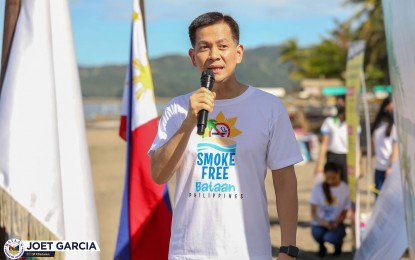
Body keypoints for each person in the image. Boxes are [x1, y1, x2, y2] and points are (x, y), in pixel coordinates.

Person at [149, 12, 303, 260]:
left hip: (249, 251)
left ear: (238, 52)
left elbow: (285, 180)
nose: (214, 55)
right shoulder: (178, 108)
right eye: (204, 47)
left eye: (223, 46)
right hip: (188, 252)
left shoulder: (269, 107)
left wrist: (288, 248)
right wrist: (189, 121)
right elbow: (158, 174)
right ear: (193, 57)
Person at [310, 162, 351, 257]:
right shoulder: (317, 188)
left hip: (336, 223)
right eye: (328, 178)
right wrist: (322, 222)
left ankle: (338, 246)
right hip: (321, 223)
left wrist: (337, 222)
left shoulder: (345, 189)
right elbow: (313, 212)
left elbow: (345, 211)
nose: (330, 181)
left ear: (339, 173)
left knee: (330, 237)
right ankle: (321, 246)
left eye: (333, 178)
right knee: (317, 233)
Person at [315, 95, 349, 183]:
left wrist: (359, 165)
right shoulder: (329, 121)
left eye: (342, 103)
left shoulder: (352, 122)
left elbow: (357, 146)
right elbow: (324, 143)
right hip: (332, 156)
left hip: (348, 157)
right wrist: (320, 165)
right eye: (338, 102)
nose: (340, 105)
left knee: (346, 185)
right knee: (331, 184)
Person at [371, 96, 398, 196]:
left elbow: (396, 147)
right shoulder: (378, 125)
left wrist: (391, 166)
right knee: (378, 195)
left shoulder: (395, 127)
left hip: (389, 167)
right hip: (379, 166)